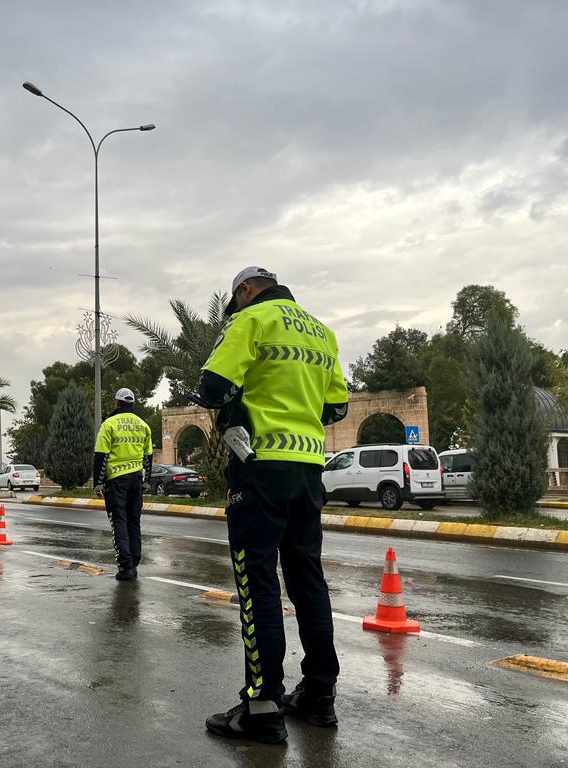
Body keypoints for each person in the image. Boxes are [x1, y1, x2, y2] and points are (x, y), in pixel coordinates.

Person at [196, 267, 349, 744]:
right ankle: (318, 695)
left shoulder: (252, 320)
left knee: (257, 580)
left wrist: (240, 405)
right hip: (308, 468)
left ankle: (262, 708)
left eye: (235, 300)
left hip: (260, 467)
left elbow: (212, 386)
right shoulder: (321, 332)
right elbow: (337, 407)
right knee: (307, 579)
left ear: (243, 291)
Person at [93, 387, 153, 582]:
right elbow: (148, 456)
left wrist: (98, 483)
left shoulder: (109, 424)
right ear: (132, 403)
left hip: (116, 480)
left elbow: (101, 455)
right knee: (134, 521)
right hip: (136, 480)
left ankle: (125, 567)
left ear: (117, 403)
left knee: (118, 521)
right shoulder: (143, 425)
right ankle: (134, 563)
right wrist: (146, 482)